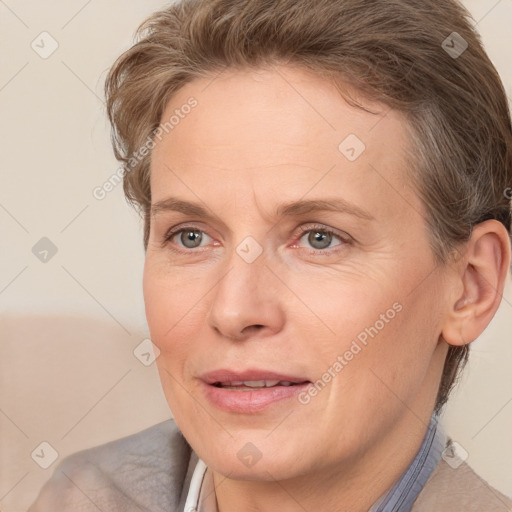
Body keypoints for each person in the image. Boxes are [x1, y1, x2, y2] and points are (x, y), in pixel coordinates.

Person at [29, 0, 512, 510]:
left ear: (470, 286)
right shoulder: (81, 496)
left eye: (320, 238)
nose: (233, 311)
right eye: (191, 236)